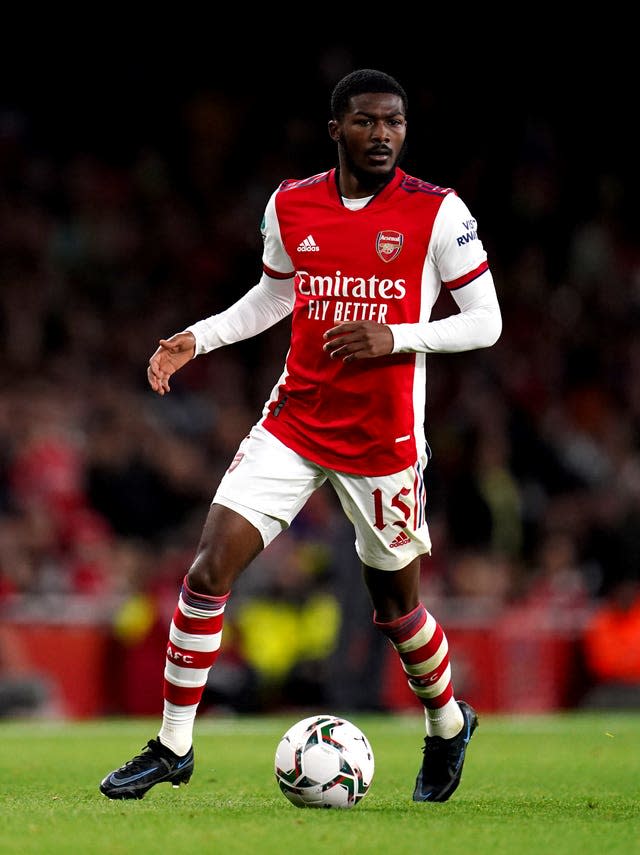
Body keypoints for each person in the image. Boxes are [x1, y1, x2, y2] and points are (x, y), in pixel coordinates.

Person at [100, 68, 502, 803]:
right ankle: (172, 746)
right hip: (295, 421)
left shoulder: (439, 213)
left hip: (383, 443)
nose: (382, 134)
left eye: (394, 123)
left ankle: (448, 722)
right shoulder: (291, 202)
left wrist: (396, 335)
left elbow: (487, 320)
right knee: (206, 571)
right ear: (336, 129)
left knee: (396, 611)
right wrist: (200, 336)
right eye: (366, 121)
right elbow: (277, 293)